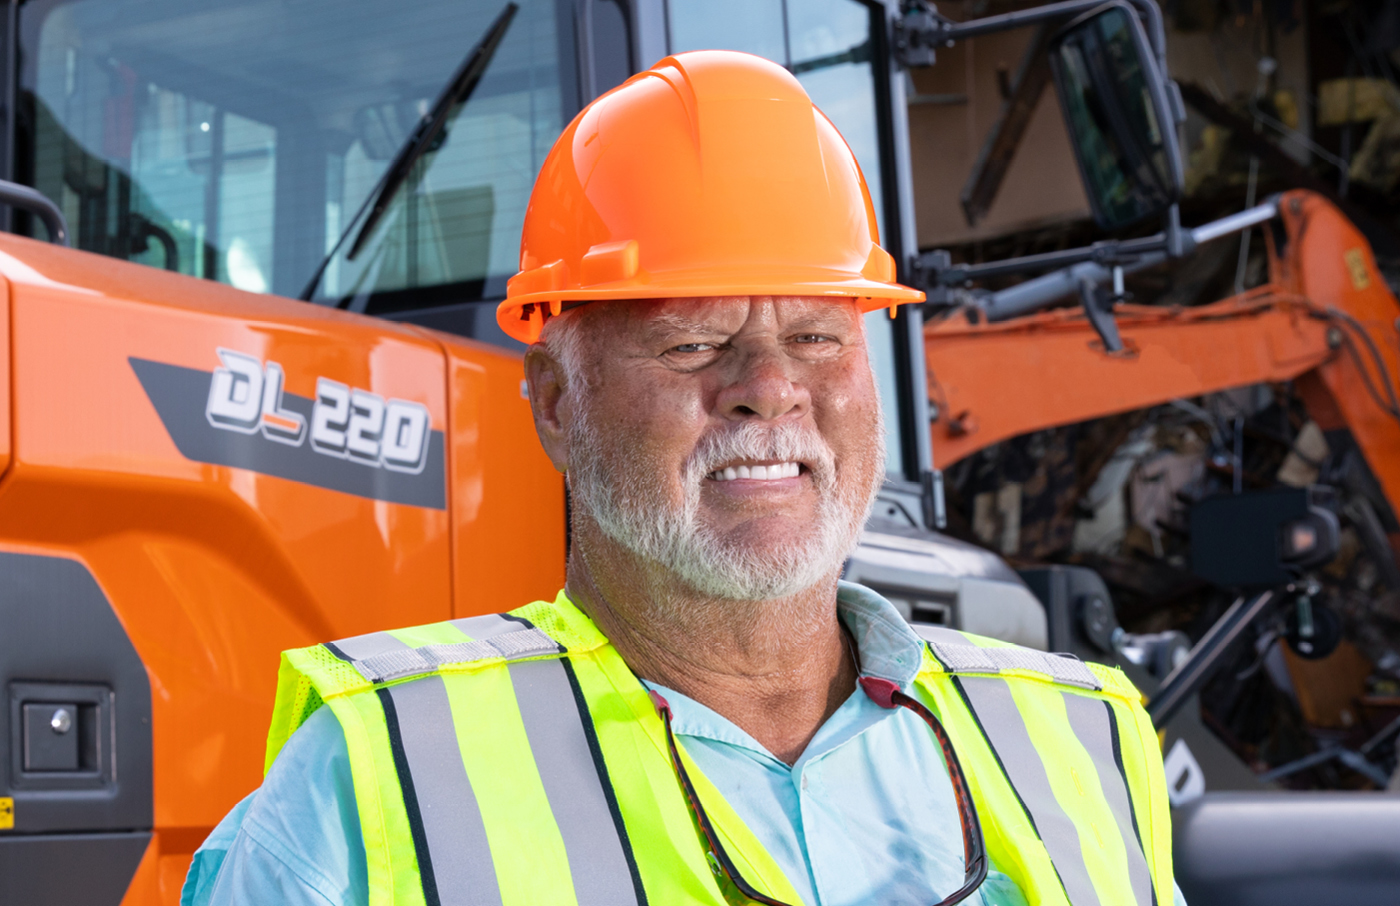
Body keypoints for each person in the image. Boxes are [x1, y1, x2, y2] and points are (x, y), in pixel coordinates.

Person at [185, 50, 1176, 906]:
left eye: (817, 335)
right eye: (693, 342)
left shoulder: (1082, 738)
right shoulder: (374, 775)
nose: (768, 389)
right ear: (555, 404)